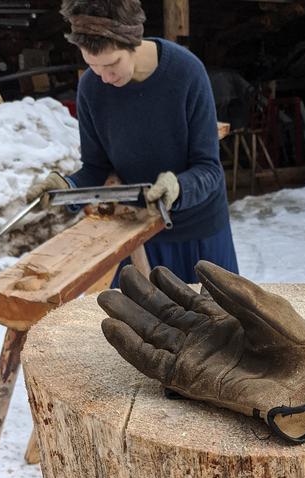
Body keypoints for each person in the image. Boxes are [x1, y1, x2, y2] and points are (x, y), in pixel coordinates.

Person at [27, 0, 238, 284]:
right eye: (93, 65)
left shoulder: (186, 72)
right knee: (142, 324)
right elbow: (96, 167)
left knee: (217, 321)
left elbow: (209, 169)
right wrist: (68, 186)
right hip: (138, 229)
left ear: (133, 43)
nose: (104, 76)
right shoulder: (92, 88)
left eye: (112, 64)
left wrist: (178, 186)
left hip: (198, 232)